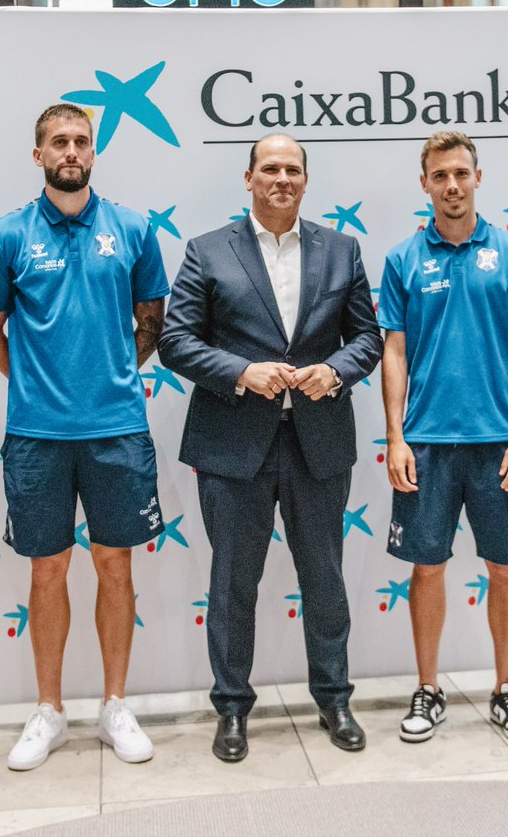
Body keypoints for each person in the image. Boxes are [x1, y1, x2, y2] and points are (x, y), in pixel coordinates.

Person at [158, 133, 382, 762]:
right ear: (249, 177)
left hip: (318, 440)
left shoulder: (342, 250)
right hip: (232, 443)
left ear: (305, 181)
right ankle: (231, 708)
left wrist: (335, 370)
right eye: (270, 168)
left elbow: (367, 337)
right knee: (233, 583)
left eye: (292, 169)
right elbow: (175, 341)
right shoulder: (207, 251)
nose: (281, 178)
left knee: (326, 578)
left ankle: (334, 698)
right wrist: (240, 371)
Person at [0, 103, 169, 771]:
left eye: (81, 140)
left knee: (116, 565)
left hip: (117, 428)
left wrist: (108, 375)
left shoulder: (134, 229)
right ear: (38, 155)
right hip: (36, 433)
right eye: (58, 141)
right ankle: (49, 708)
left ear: (94, 152)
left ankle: (115, 702)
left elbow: (151, 321)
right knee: (47, 567)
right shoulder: (4, 237)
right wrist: (38, 380)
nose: (71, 151)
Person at [378, 130, 508, 746]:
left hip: (500, 442)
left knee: (505, 571)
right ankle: (428, 688)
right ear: (424, 184)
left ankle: (506, 688)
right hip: (424, 443)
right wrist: (395, 437)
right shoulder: (402, 260)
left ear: (479, 177)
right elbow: (392, 352)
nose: (451, 185)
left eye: (461, 174)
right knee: (427, 570)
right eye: (439, 175)